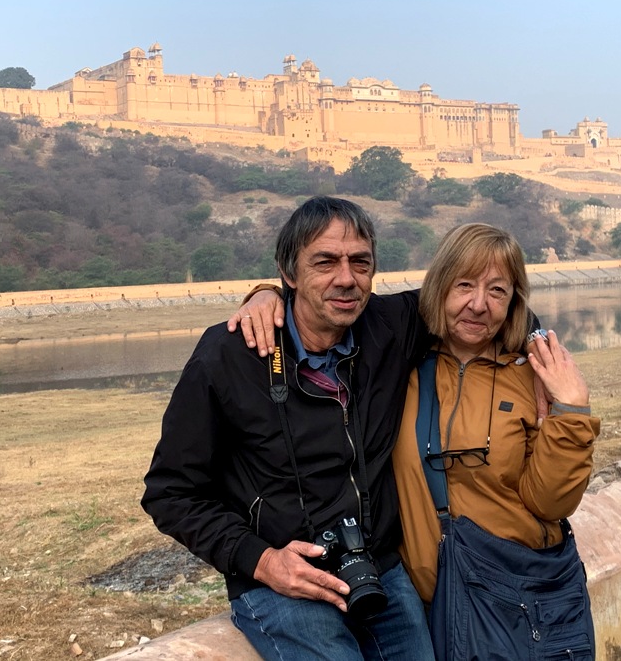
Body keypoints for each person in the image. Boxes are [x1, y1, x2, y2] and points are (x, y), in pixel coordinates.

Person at [141, 196, 436, 660]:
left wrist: (543, 358)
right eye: (325, 262)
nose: (346, 278)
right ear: (290, 273)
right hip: (281, 578)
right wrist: (261, 561)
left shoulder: (390, 327)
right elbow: (170, 492)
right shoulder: (231, 354)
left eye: (360, 262)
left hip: (376, 567)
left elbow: (482, 301)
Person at [393, 223, 598, 660]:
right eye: (464, 285)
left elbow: (551, 503)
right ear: (440, 286)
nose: (478, 305)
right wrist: (267, 294)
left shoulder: (531, 378)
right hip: (429, 610)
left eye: (497, 291)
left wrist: (573, 410)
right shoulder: (401, 368)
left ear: (513, 302)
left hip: (515, 604)